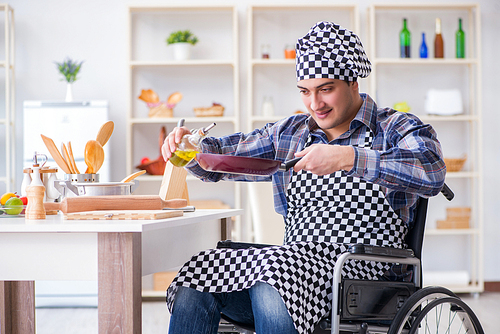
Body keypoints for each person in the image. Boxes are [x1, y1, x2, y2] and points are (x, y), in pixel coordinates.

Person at [161, 21, 446, 334]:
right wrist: (188, 148)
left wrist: (349, 157)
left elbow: (431, 171)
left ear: (353, 83)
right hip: (295, 271)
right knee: (200, 272)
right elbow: (224, 159)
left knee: (274, 274)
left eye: (326, 89)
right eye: (305, 92)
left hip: (367, 281)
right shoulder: (291, 134)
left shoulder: (395, 128)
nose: (315, 104)